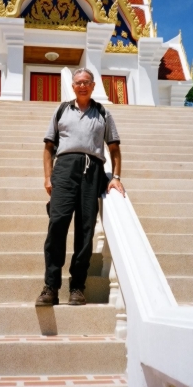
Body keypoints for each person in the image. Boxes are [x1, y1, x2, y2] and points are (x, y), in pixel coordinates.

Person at [36, 67, 124, 307]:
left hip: (92, 171)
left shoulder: (103, 113)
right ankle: (50, 286)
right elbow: (48, 148)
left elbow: (114, 149)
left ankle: (77, 287)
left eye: (86, 82)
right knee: (57, 226)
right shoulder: (62, 110)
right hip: (64, 170)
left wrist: (115, 176)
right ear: (72, 86)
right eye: (78, 83)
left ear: (93, 86)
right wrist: (48, 177)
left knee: (85, 232)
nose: (82, 86)